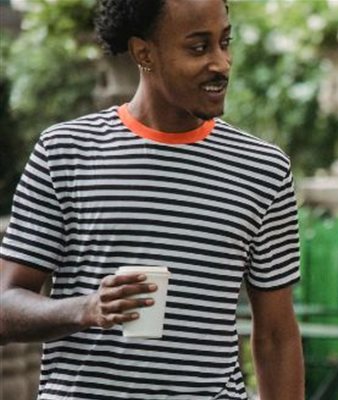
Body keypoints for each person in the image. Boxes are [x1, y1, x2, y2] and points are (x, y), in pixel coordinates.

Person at [0, 0, 304, 398]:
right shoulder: (65, 152)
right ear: (144, 52)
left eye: (225, 42)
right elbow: (5, 308)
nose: (222, 63)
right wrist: (87, 309)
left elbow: (277, 336)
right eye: (198, 48)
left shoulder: (263, 169)